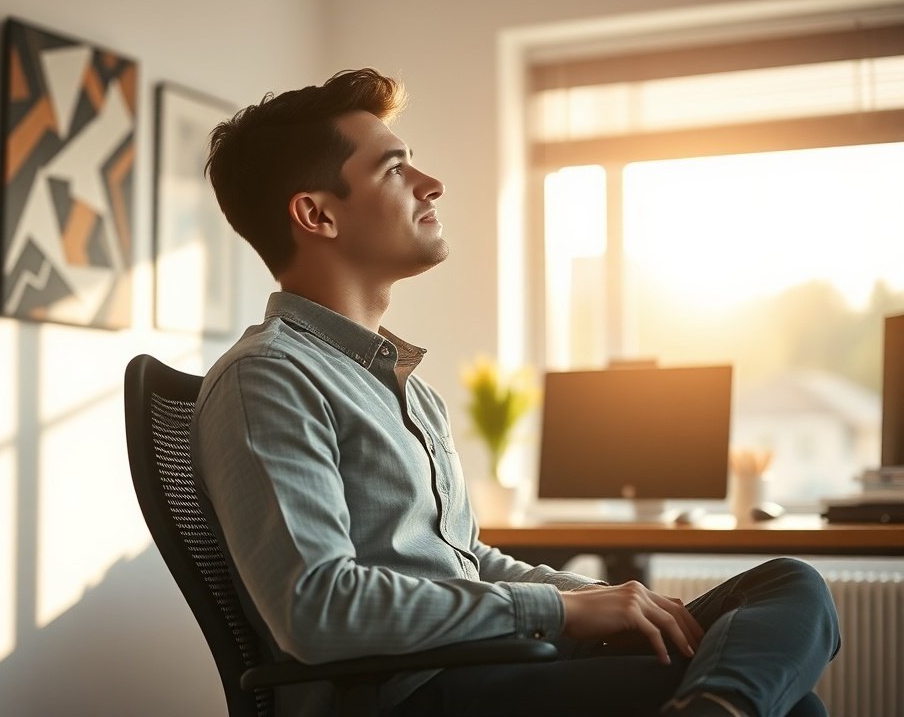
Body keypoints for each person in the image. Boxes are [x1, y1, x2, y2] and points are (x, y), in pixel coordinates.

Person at [192, 68, 840, 717]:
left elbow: (468, 560)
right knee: (794, 708)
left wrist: (603, 599)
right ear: (316, 214)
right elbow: (320, 609)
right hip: (421, 691)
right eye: (394, 170)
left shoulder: (404, 389)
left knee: (791, 587)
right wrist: (559, 610)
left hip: (493, 660)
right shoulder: (268, 377)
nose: (431, 184)